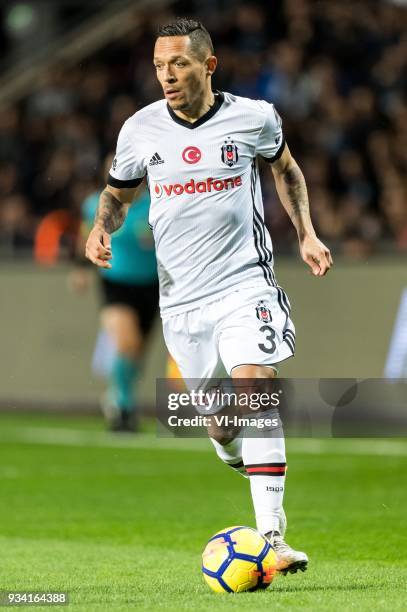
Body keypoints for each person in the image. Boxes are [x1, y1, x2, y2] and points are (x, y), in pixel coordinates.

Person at [85, 18, 332, 573]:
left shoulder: (254, 118)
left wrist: (307, 233)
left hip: (245, 282)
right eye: (158, 66)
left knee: (256, 386)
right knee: (222, 424)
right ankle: (231, 450)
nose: (166, 76)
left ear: (208, 65)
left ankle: (272, 536)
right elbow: (117, 193)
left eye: (178, 64)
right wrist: (104, 226)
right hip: (181, 301)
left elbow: (286, 171)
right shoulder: (140, 130)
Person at [74, 153, 158, 432]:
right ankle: (123, 407)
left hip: (152, 285)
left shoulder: (157, 204)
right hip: (116, 283)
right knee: (127, 343)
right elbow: (86, 235)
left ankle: (119, 394)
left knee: (137, 352)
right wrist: (80, 269)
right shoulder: (96, 204)